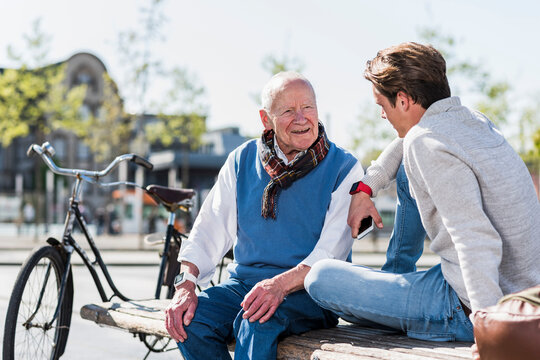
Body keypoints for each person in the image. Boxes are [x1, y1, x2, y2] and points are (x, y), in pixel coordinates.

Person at [305, 42, 540, 342]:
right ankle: (396, 277)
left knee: (320, 278)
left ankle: (407, 304)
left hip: (470, 306)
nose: (382, 116)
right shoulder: (471, 121)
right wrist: (365, 188)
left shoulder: (425, 144)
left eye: (382, 106)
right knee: (406, 167)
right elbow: (406, 143)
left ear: (402, 101)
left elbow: (476, 238)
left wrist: (491, 332)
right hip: (518, 289)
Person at [165, 71, 363, 359]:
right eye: (288, 111)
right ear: (265, 119)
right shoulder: (241, 160)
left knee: (256, 320)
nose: (301, 118)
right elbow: (208, 228)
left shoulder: (345, 167)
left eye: (308, 107)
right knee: (190, 319)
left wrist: (279, 286)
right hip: (245, 286)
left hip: (311, 294)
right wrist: (185, 284)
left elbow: (331, 253)